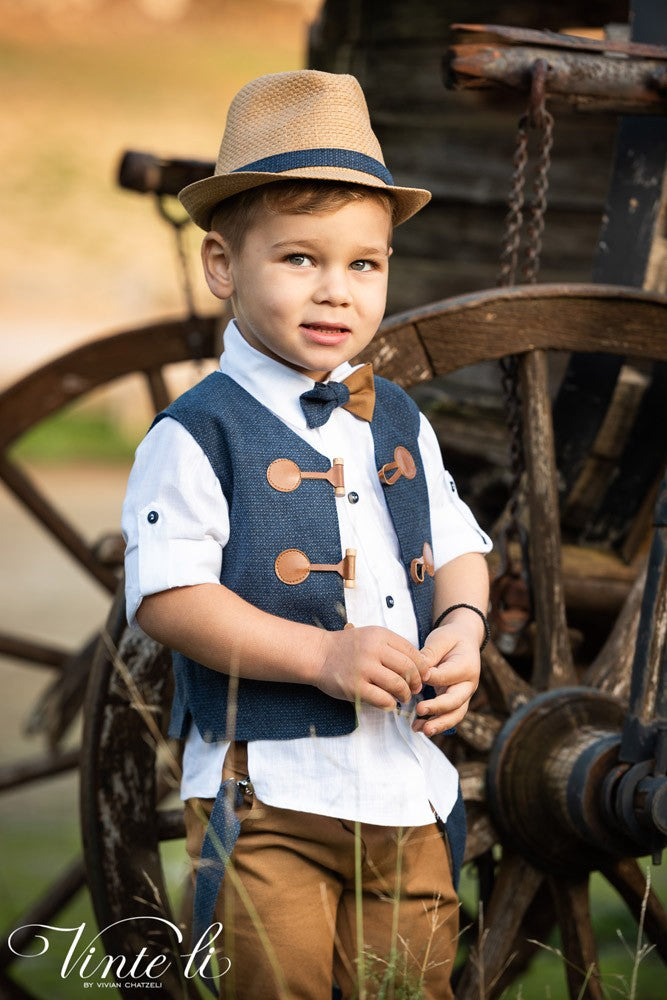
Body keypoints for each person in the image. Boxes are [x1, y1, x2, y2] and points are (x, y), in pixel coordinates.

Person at [122, 69, 491, 1000]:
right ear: (222, 266)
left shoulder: (398, 416)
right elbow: (171, 599)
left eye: (363, 264)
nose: (337, 293)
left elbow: (457, 543)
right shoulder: (195, 432)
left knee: (409, 989)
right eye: (299, 259)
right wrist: (323, 657)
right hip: (269, 798)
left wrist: (464, 628)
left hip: (405, 789)